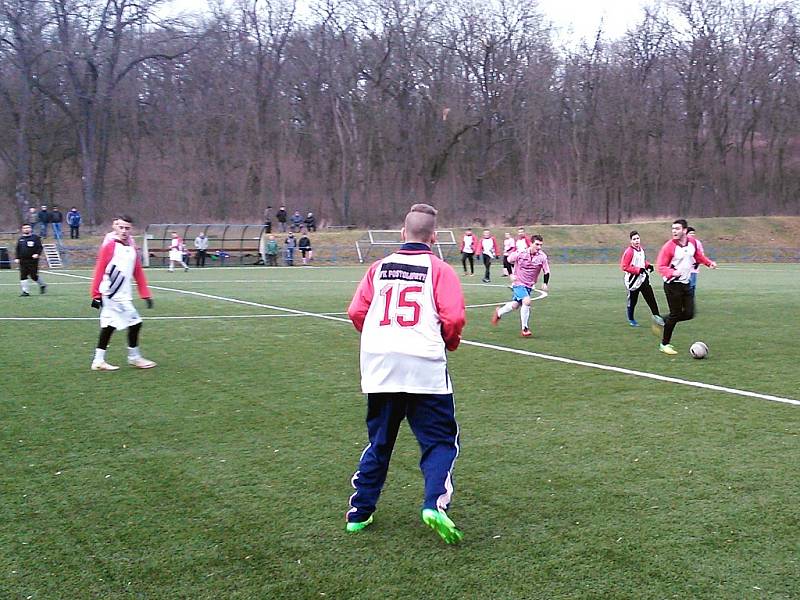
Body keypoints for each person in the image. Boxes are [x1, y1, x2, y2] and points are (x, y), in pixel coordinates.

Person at [345, 202, 466, 544]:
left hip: (380, 363)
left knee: (380, 441)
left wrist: (380, 340)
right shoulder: (439, 270)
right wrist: (448, 342)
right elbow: (454, 318)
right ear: (435, 236)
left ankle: (359, 512)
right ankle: (433, 505)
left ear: (402, 233)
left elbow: (357, 311)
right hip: (423, 364)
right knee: (440, 439)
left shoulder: (378, 268)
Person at [89, 215, 156, 371]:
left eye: (127, 228)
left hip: (122, 295)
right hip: (113, 296)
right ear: (115, 227)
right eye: (121, 227)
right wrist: (96, 295)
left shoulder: (132, 248)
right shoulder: (109, 247)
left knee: (109, 326)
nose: (124, 231)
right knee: (135, 323)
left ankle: (98, 360)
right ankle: (134, 357)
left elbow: (137, 271)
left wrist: (145, 293)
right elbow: (99, 270)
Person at [655, 219, 717, 355]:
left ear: (684, 230)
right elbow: (661, 267)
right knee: (675, 313)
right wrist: (672, 273)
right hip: (672, 285)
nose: (674, 231)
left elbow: (697, 255)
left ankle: (663, 321)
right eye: (673, 229)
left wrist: (708, 263)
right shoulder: (669, 247)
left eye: (677, 229)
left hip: (685, 283)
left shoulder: (692, 243)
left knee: (689, 313)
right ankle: (664, 344)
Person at [491, 234, 550, 337]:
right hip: (518, 283)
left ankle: (499, 312)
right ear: (531, 243)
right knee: (527, 301)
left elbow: (546, 271)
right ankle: (525, 329)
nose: (539, 247)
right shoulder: (520, 253)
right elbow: (507, 261)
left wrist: (545, 283)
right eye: (537, 244)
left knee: (515, 305)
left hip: (529, 285)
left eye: (541, 245)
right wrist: (511, 274)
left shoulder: (542, 257)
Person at [620, 231, 664, 328]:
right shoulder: (629, 252)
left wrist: (648, 265)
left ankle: (657, 317)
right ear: (631, 241)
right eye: (634, 239)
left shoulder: (640, 250)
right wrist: (637, 270)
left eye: (638, 238)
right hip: (633, 282)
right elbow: (624, 266)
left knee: (651, 299)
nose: (636, 241)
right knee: (633, 302)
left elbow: (641, 261)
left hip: (643, 279)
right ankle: (631, 319)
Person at [14, 223, 47, 296]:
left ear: (30, 229)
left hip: (32, 260)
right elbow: (17, 249)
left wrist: (37, 254)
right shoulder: (20, 239)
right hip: (22, 260)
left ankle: (42, 285)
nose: (26, 229)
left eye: (28, 227)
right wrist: (17, 257)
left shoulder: (35, 237)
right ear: (22, 230)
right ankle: (25, 292)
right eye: (25, 228)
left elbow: (40, 247)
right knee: (23, 275)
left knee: (33, 276)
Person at [686, 226, 704, 296]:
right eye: (690, 233)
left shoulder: (697, 243)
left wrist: (698, 262)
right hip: (683, 268)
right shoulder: (682, 242)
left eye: (693, 233)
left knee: (692, 285)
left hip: (693, 268)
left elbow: (701, 254)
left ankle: (690, 302)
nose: (692, 235)